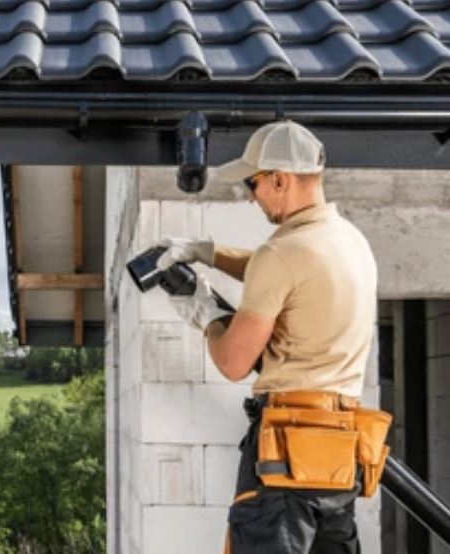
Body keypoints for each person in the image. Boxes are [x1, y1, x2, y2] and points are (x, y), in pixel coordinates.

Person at [156, 120, 378, 554]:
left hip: (285, 458)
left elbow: (233, 361)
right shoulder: (350, 243)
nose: (251, 195)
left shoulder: (284, 253)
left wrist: (204, 313)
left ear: (279, 178)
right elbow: (279, 270)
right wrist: (206, 250)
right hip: (338, 456)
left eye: (253, 184)